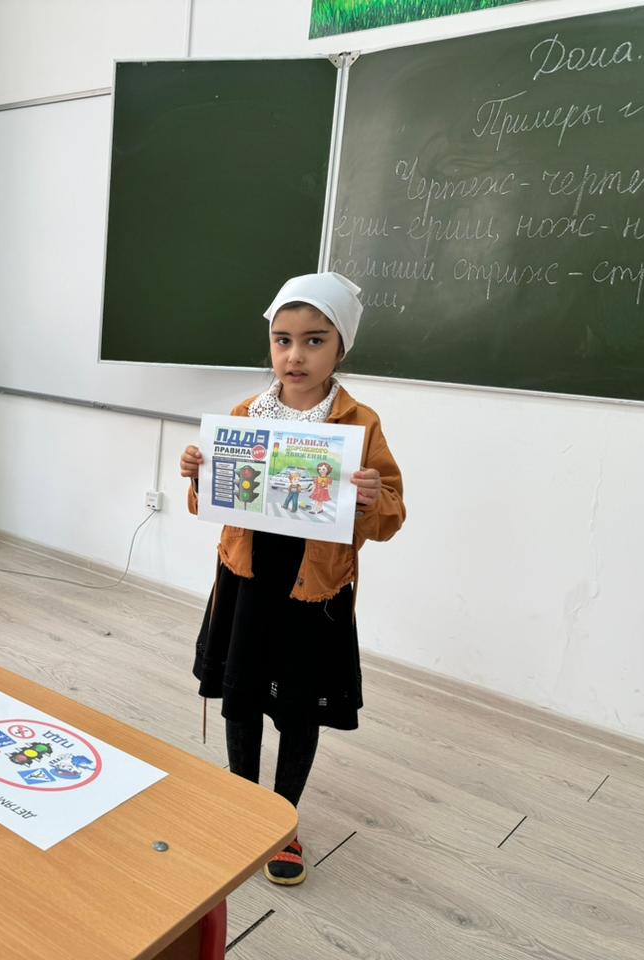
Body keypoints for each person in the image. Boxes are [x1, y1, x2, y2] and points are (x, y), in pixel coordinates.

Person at [180, 272, 405, 886]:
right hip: (248, 580)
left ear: (340, 348)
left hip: (315, 591)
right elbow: (210, 505)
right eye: (283, 340)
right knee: (242, 697)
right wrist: (198, 475)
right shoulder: (245, 415)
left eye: (314, 340)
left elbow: (391, 517)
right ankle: (242, 807)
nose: (294, 355)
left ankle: (282, 821)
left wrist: (370, 497)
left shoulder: (360, 423)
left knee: (299, 708)